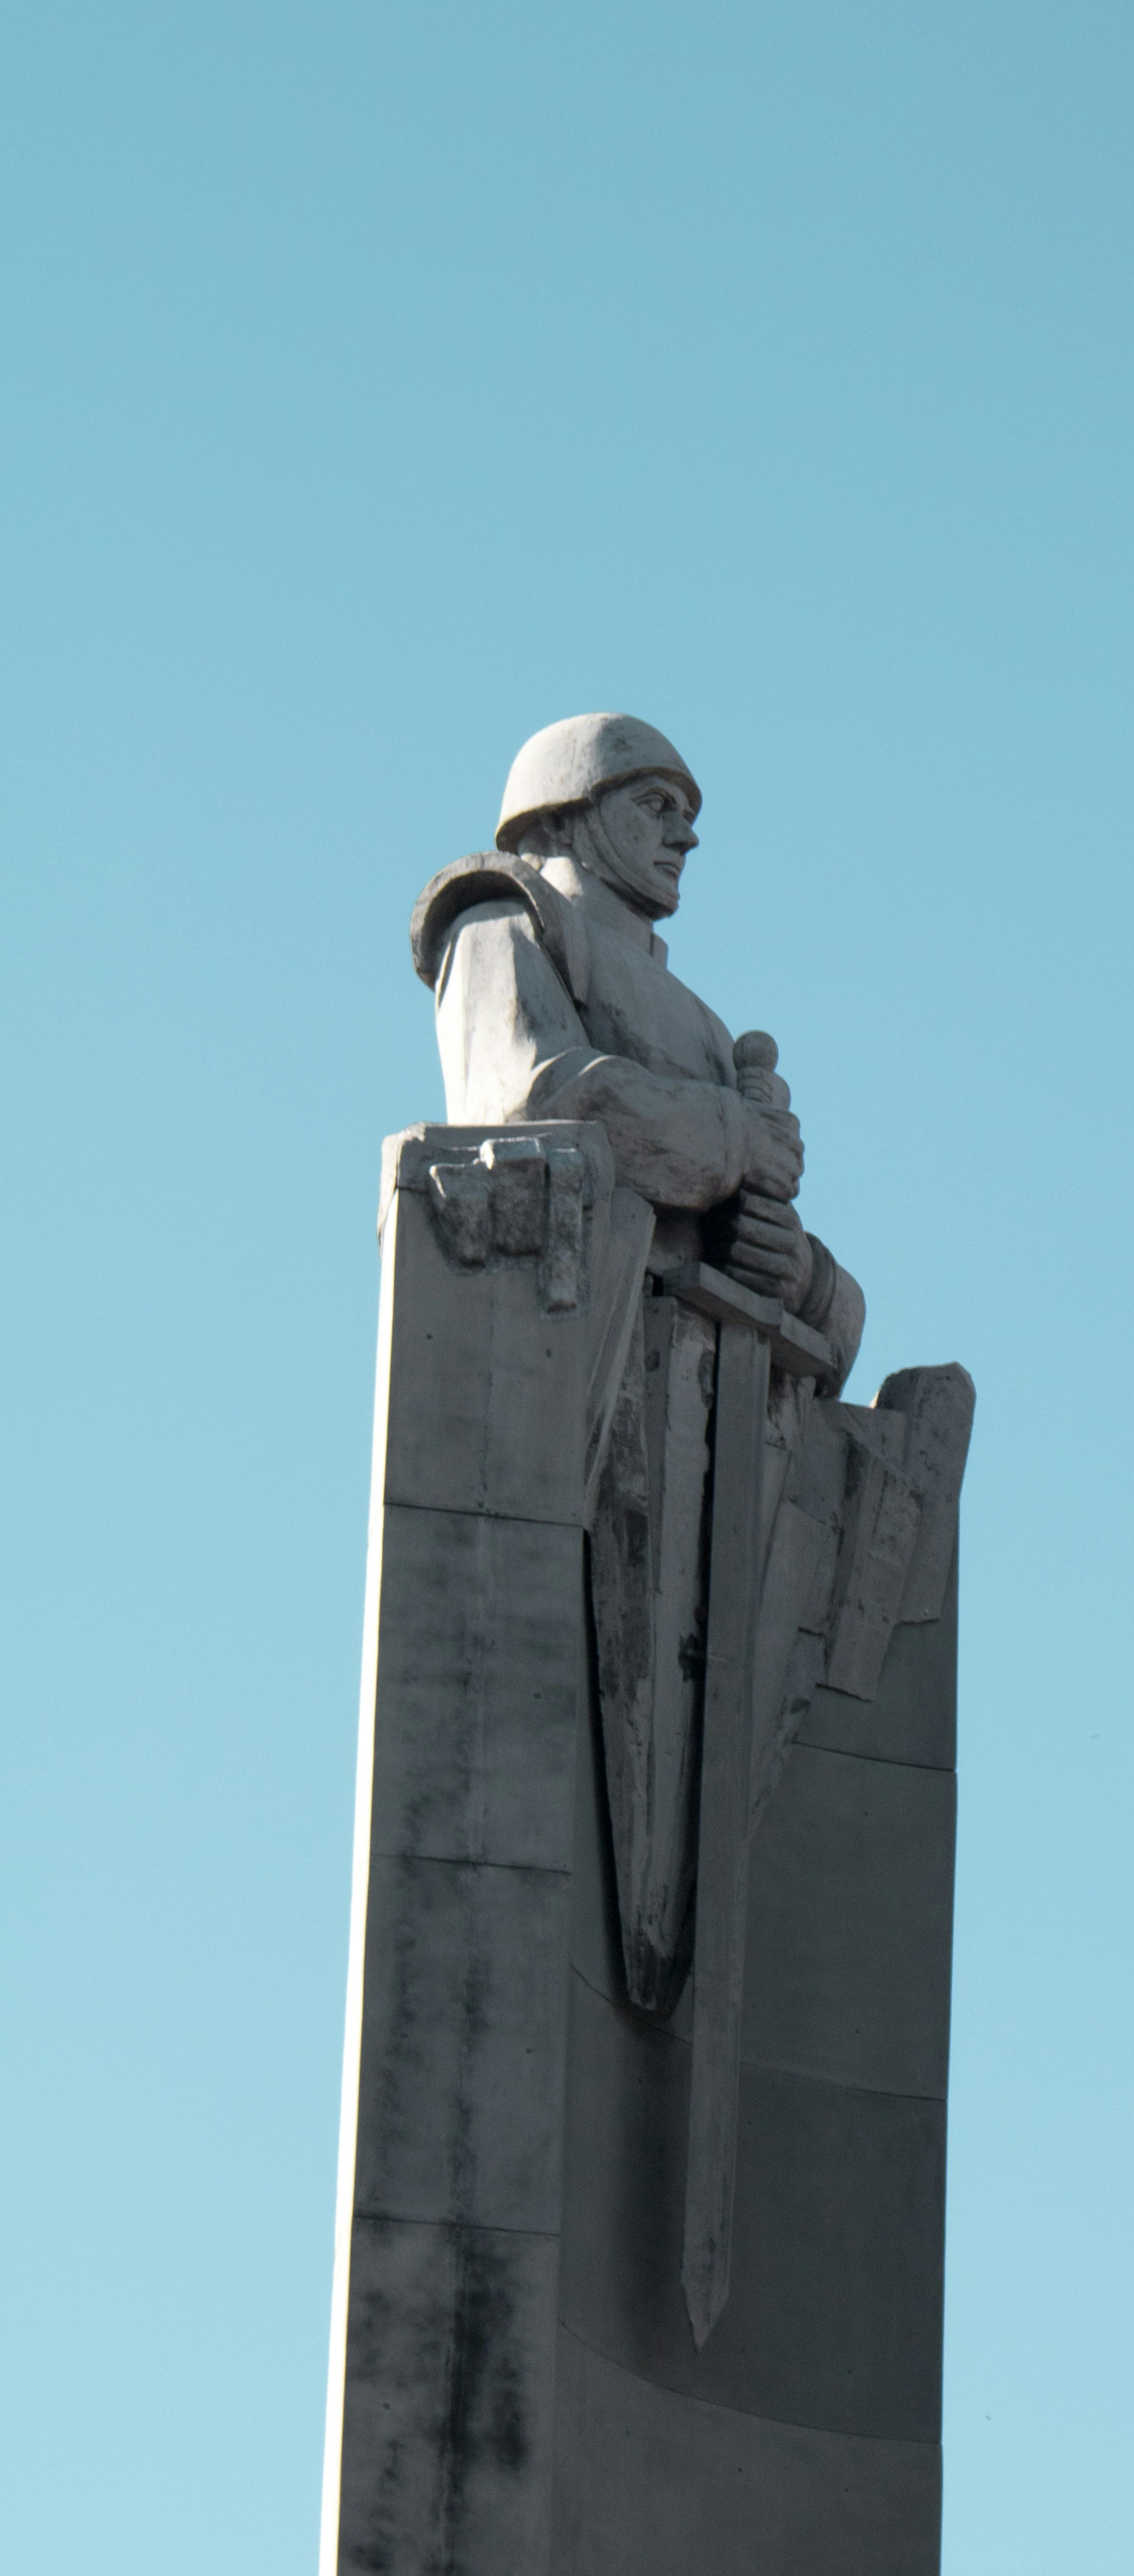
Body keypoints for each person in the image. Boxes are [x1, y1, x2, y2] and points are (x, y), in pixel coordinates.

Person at [409, 711, 864, 2010]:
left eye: (687, 813)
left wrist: (806, 1276)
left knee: (687, 1793)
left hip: (713, 1410)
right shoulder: (501, 919)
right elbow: (537, 1096)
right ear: (564, 809)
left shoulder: (707, 1023)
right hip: (583, 1369)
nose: (684, 832)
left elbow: (772, 1245)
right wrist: (733, 1141)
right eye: (653, 802)